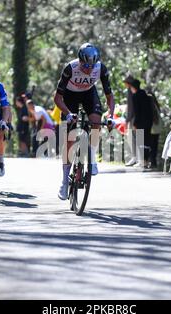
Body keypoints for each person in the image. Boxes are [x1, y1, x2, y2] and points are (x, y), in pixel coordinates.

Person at [53, 42, 115, 200]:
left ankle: (92, 158)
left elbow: (109, 96)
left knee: (96, 121)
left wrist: (111, 115)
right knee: (70, 139)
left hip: (88, 94)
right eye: (85, 65)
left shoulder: (100, 68)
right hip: (70, 97)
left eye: (91, 66)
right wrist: (67, 113)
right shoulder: (70, 68)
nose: (88, 69)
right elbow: (58, 98)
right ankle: (64, 181)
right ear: (79, 60)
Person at [131, 79, 153, 168]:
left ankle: (142, 161)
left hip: (140, 122)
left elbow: (137, 111)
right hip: (148, 122)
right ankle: (147, 161)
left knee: (140, 142)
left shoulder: (135, 96)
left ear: (133, 87)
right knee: (147, 142)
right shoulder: (146, 95)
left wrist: (135, 123)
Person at [123, 75, 137, 166]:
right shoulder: (134, 90)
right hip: (135, 117)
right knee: (133, 138)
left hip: (133, 117)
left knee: (132, 138)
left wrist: (127, 119)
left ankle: (135, 157)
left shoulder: (131, 90)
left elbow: (132, 106)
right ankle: (136, 157)